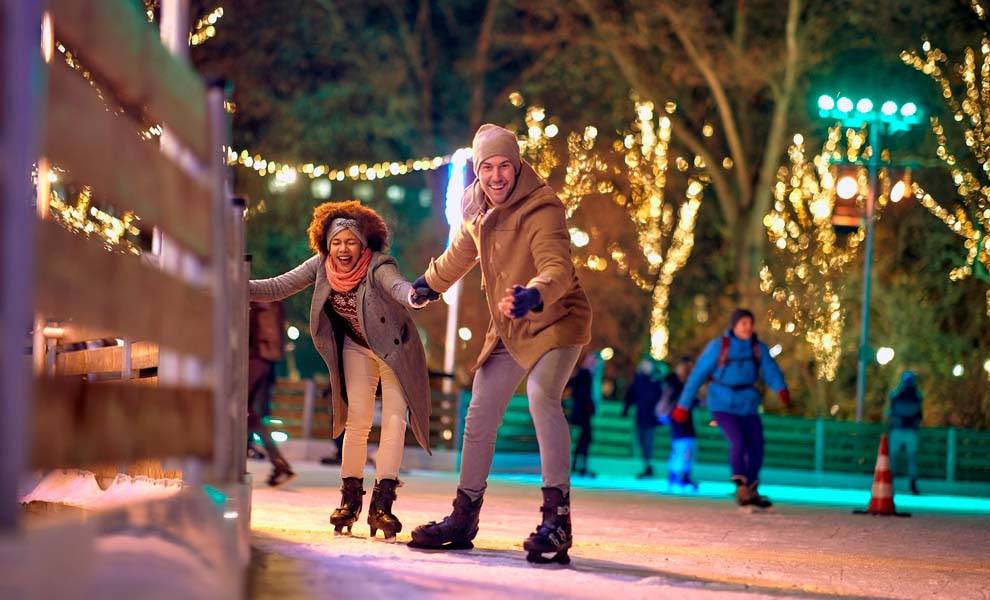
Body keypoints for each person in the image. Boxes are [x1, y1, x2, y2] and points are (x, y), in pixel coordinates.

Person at [407, 123, 592, 564]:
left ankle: (557, 521)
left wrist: (534, 293)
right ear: (477, 170)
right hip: (510, 323)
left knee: (541, 395)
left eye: (504, 166)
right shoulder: (475, 205)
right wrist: (430, 284)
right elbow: (460, 254)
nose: (495, 176)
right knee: (480, 412)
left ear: (518, 165)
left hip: (554, 315)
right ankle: (463, 516)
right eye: (486, 167)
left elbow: (558, 267)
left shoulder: (543, 207)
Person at [248, 200, 431, 541]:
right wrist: (237, 285)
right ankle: (350, 501)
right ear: (326, 244)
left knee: (395, 420)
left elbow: (397, 285)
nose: (343, 248)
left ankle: (382, 505)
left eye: (351, 241)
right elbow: (278, 286)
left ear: (364, 244)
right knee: (357, 420)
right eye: (336, 242)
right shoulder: (321, 266)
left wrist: (414, 296)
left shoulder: (378, 265)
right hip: (357, 347)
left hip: (394, 349)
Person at [674, 309, 789, 508]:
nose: (747, 327)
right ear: (734, 325)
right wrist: (683, 405)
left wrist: (781, 389)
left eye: (750, 323)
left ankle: (752, 488)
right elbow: (698, 374)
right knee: (738, 440)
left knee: (757, 444)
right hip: (722, 403)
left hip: (748, 403)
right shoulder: (719, 346)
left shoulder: (757, 347)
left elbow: (771, 370)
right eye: (743, 323)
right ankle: (740, 486)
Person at [248, 300, 296, 486]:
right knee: (248, 413)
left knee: (243, 410)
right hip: (266, 360)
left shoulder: (257, 302)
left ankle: (279, 462)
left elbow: (248, 332)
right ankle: (279, 463)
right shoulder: (273, 303)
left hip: (255, 358)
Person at [622, 357, 664, 479]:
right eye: (644, 364)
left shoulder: (656, 380)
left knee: (648, 442)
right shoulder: (638, 379)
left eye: (648, 364)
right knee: (641, 441)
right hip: (640, 416)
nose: (646, 367)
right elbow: (630, 395)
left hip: (651, 417)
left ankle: (648, 466)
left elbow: (660, 397)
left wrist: (661, 414)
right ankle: (647, 466)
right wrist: (625, 410)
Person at [661, 357, 698, 492]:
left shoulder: (677, 383)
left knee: (683, 449)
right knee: (683, 450)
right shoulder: (677, 384)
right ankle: (678, 477)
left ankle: (680, 476)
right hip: (680, 421)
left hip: (682, 422)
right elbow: (685, 402)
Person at [888, 370, 923, 495]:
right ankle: (912, 485)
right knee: (911, 459)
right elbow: (919, 416)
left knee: (893, 458)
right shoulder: (917, 396)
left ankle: (889, 483)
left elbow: (891, 413)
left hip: (898, 430)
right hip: (911, 432)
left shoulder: (896, 395)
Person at [569, 353, 602, 478]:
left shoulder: (588, 374)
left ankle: (579, 465)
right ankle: (579, 466)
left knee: (584, 440)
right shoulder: (584, 373)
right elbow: (582, 393)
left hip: (583, 412)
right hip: (581, 413)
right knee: (585, 438)